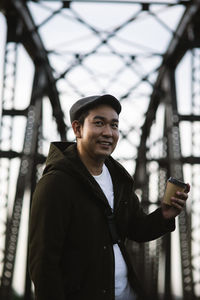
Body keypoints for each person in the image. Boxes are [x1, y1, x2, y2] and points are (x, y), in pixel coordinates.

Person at [29, 94, 190, 300]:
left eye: (114, 125)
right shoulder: (56, 184)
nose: (108, 132)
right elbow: (43, 266)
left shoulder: (118, 178)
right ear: (77, 129)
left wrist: (164, 215)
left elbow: (136, 229)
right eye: (99, 123)